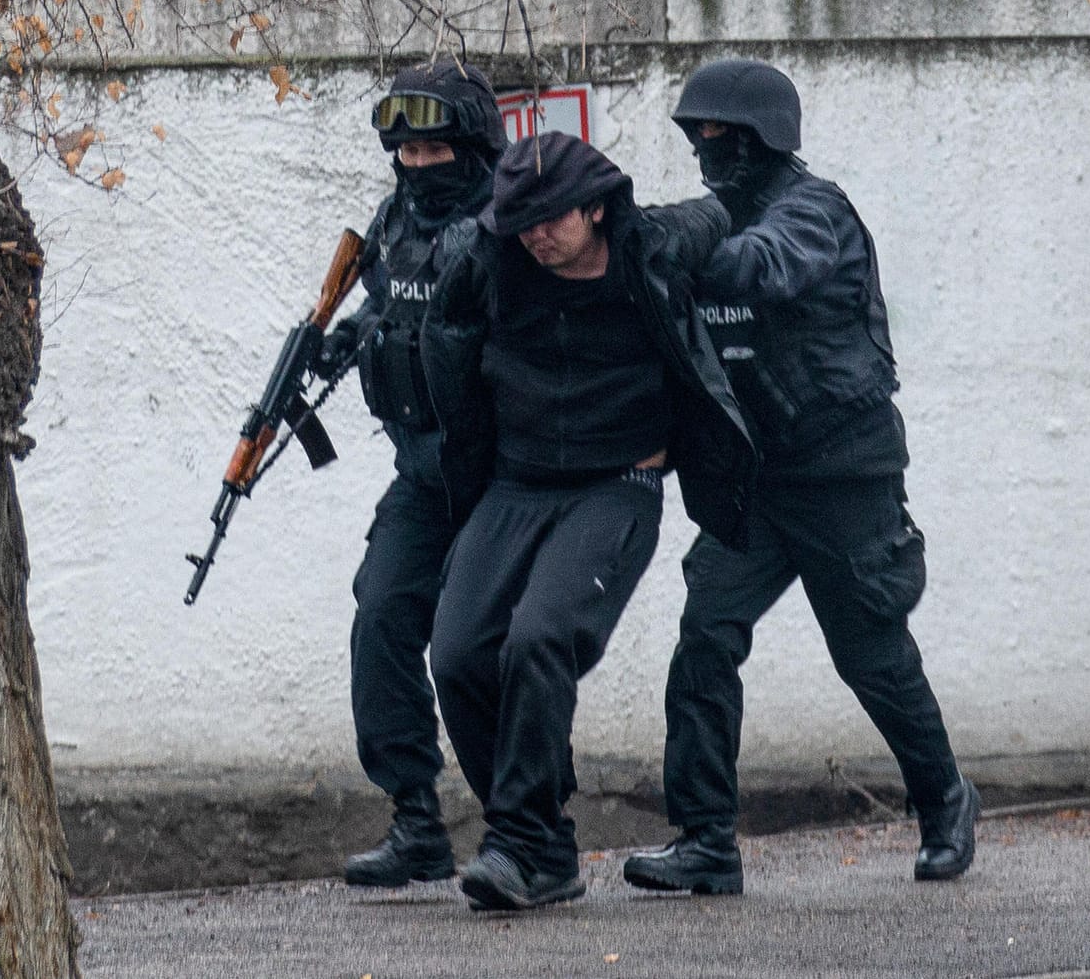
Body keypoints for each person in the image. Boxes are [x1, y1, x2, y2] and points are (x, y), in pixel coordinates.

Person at [623, 59, 979, 896]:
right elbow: (682, 247)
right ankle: (706, 839)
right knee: (705, 638)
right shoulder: (716, 214)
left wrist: (671, 248)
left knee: (871, 655)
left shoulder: (814, 213)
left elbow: (759, 266)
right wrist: (626, 238)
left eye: (722, 133)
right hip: (757, 480)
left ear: (763, 137)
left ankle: (944, 801)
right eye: (697, 134)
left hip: (842, 477)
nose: (707, 148)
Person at [421, 132, 756, 911]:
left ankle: (514, 841)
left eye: (551, 218)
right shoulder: (489, 257)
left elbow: (726, 211)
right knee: (459, 653)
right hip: (515, 482)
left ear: (597, 207)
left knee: (540, 637)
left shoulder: (652, 247)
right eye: (521, 220)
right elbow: (443, 340)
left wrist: (759, 186)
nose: (535, 234)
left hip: (618, 482)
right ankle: (543, 846)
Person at [320, 61, 506, 888]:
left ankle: (523, 826)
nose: (420, 165)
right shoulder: (394, 217)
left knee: (482, 650)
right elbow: (386, 298)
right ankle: (415, 819)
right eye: (407, 151)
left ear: (471, 145)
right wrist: (349, 334)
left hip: (502, 476)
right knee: (381, 618)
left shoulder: (510, 221)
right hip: (422, 476)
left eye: (436, 148)